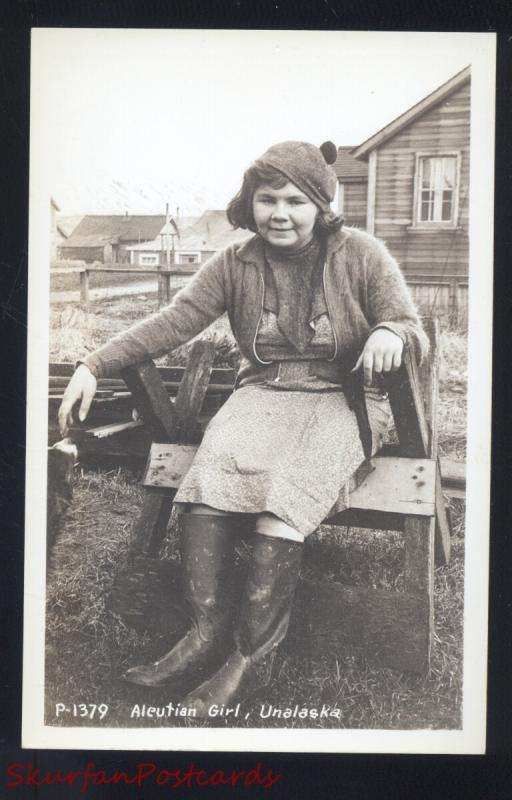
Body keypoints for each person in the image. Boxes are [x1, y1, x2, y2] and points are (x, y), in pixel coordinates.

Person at [58, 140, 428, 717]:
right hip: (262, 395)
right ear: (249, 204)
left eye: (295, 201)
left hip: (346, 398)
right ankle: (203, 634)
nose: (280, 213)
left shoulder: (363, 254)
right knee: (209, 489)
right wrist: (93, 363)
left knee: (281, 504)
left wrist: (392, 334)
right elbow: (174, 321)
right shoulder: (236, 263)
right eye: (266, 199)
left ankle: (249, 661)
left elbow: (409, 325)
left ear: (320, 205)